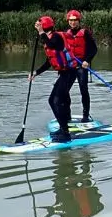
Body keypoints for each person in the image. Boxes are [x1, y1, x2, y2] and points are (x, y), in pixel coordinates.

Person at [29, 15, 78, 143]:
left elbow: (51, 45)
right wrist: (36, 73)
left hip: (69, 73)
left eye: (40, 26)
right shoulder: (49, 38)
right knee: (52, 100)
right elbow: (49, 62)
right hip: (63, 74)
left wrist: (41, 33)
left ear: (44, 26)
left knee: (56, 101)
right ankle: (63, 128)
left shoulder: (55, 37)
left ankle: (65, 133)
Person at [63, 9, 98, 123]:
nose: (73, 23)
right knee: (64, 91)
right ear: (68, 21)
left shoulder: (85, 33)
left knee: (84, 90)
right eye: (71, 20)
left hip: (82, 66)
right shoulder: (65, 33)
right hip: (70, 66)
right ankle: (67, 116)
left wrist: (87, 60)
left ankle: (85, 116)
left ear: (78, 21)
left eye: (75, 20)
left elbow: (94, 49)